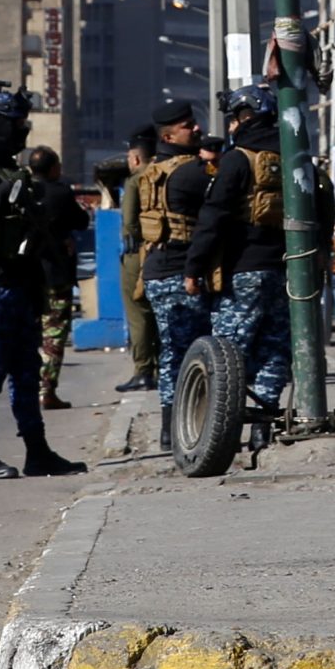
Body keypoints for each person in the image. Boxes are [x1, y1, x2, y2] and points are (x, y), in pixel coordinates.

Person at [0, 84, 87, 481]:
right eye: (15, 124)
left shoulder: (14, 171)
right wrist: (7, 192)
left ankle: (37, 450)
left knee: (28, 369)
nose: (22, 131)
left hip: (21, 281)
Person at [188, 84, 295, 413]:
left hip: (242, 270)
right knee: (274, 349)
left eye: (234, 119)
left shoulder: (237, 160)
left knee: (227, 354)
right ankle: (265, 420)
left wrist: (194, 268)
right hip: (284, 270)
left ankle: (222, 426)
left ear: (245, 116)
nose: (231, 126)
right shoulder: (293, 156)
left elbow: (213, 217)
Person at [135, 100, 213, 452]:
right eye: (187, 126)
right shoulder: (192, 173)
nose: (195, 129)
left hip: (156, 270)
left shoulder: (152, 171)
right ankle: (186, 427)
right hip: (182, 272)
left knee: (172, 352)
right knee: (192, 353)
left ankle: (170, 430)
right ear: (168, 135)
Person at [26, 147, 91, 412]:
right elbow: (82, 220)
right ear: (54, 168)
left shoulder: (22, 192)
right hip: (55, 273)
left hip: (27, 274)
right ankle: (46, 390)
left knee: (31, 334)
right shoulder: (61, 193)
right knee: (54, 333)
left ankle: (29, 388)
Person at [114, 125, 161, 391]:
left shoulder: (135, 180)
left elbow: (129, 223)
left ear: (134, 158)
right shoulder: (163, 171)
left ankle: (143, 370)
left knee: (139, 313)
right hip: (166, 251)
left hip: (138, 253)